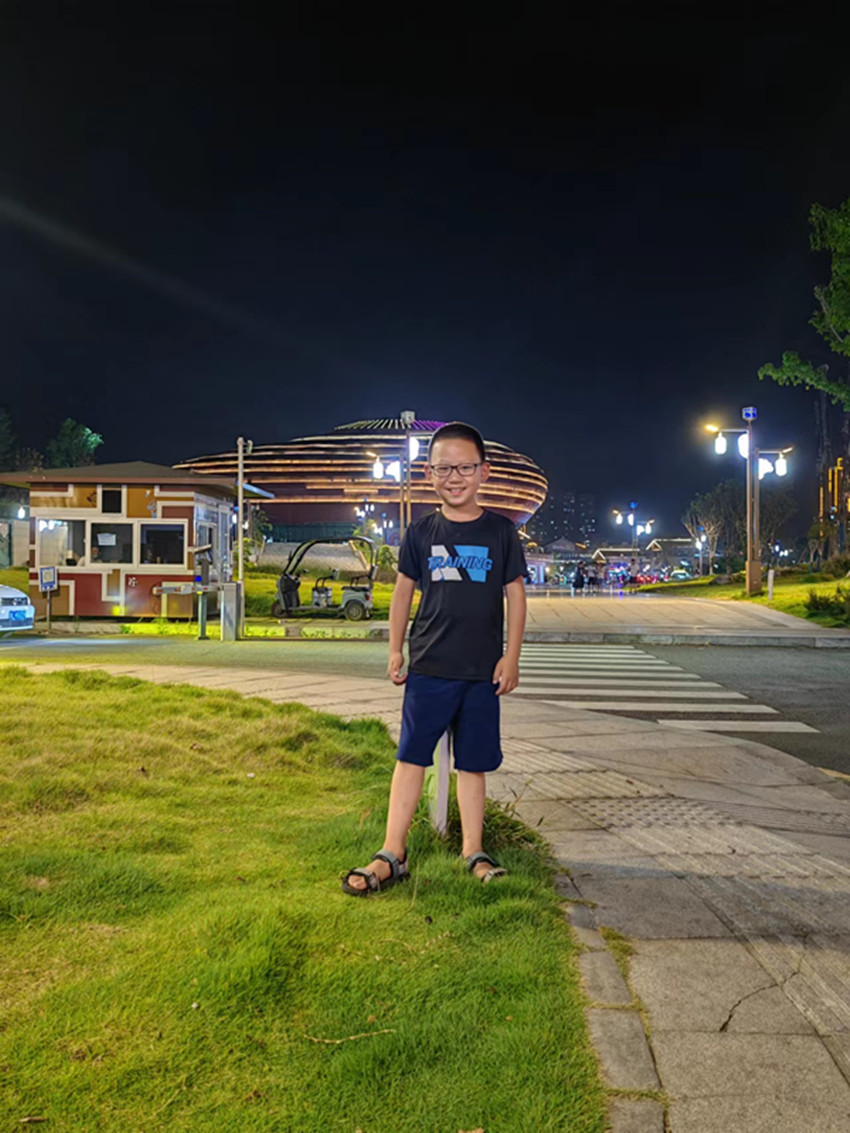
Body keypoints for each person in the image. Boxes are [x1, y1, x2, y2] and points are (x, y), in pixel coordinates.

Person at [341, 421, 527, 895]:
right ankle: (392, 852)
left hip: (481, 672)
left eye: (465, 467)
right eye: (444, 468)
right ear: (429, 473)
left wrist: (511, 657)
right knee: (410, 757)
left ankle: (473, 850)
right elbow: (403, 594)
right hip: (428, 666)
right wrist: (395, 649)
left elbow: (516, 597)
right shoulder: (421, 532)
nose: (454, 477)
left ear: (483, 472)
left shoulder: (501, 532)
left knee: (473, 764)